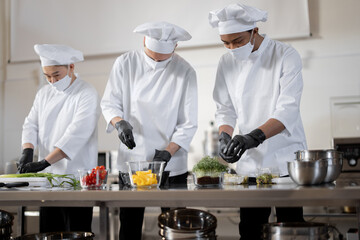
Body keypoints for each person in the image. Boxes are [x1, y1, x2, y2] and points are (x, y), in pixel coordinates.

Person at [209, 3, 307, 240]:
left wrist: (253, 137)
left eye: (238, 41)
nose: (232, 48)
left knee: (291, 229)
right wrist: (225, 136)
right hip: (250, 163)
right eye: (226, 42)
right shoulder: (226, 62)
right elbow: (225, 108)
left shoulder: (285, 55)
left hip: (284, 161)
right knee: (250, 230)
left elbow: (287, 111)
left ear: (254, 30)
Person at [101, 21, 198, 239]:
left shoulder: (185, 71)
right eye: (151, 57)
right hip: (133, 162)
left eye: (162, 60)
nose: (155, 63)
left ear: (174, 49)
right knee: (129, 227)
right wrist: (119, 122)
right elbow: (109, 103)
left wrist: (168, 152)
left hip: (172, 165)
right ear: (144, 41)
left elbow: (188, 123)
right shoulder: (125, 63)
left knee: (176, 228)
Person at [19, 44, 100, 232]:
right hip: (48, 182)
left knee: (77, 232)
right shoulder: (43, 94)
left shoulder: (87, 93)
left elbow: (76, 135)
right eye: (47, 76)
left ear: (71, 67)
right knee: (49, 232)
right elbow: (31, 124)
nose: (52, 81)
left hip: (78, 182)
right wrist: (28, 150)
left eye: (56, 75)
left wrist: (44, 162)